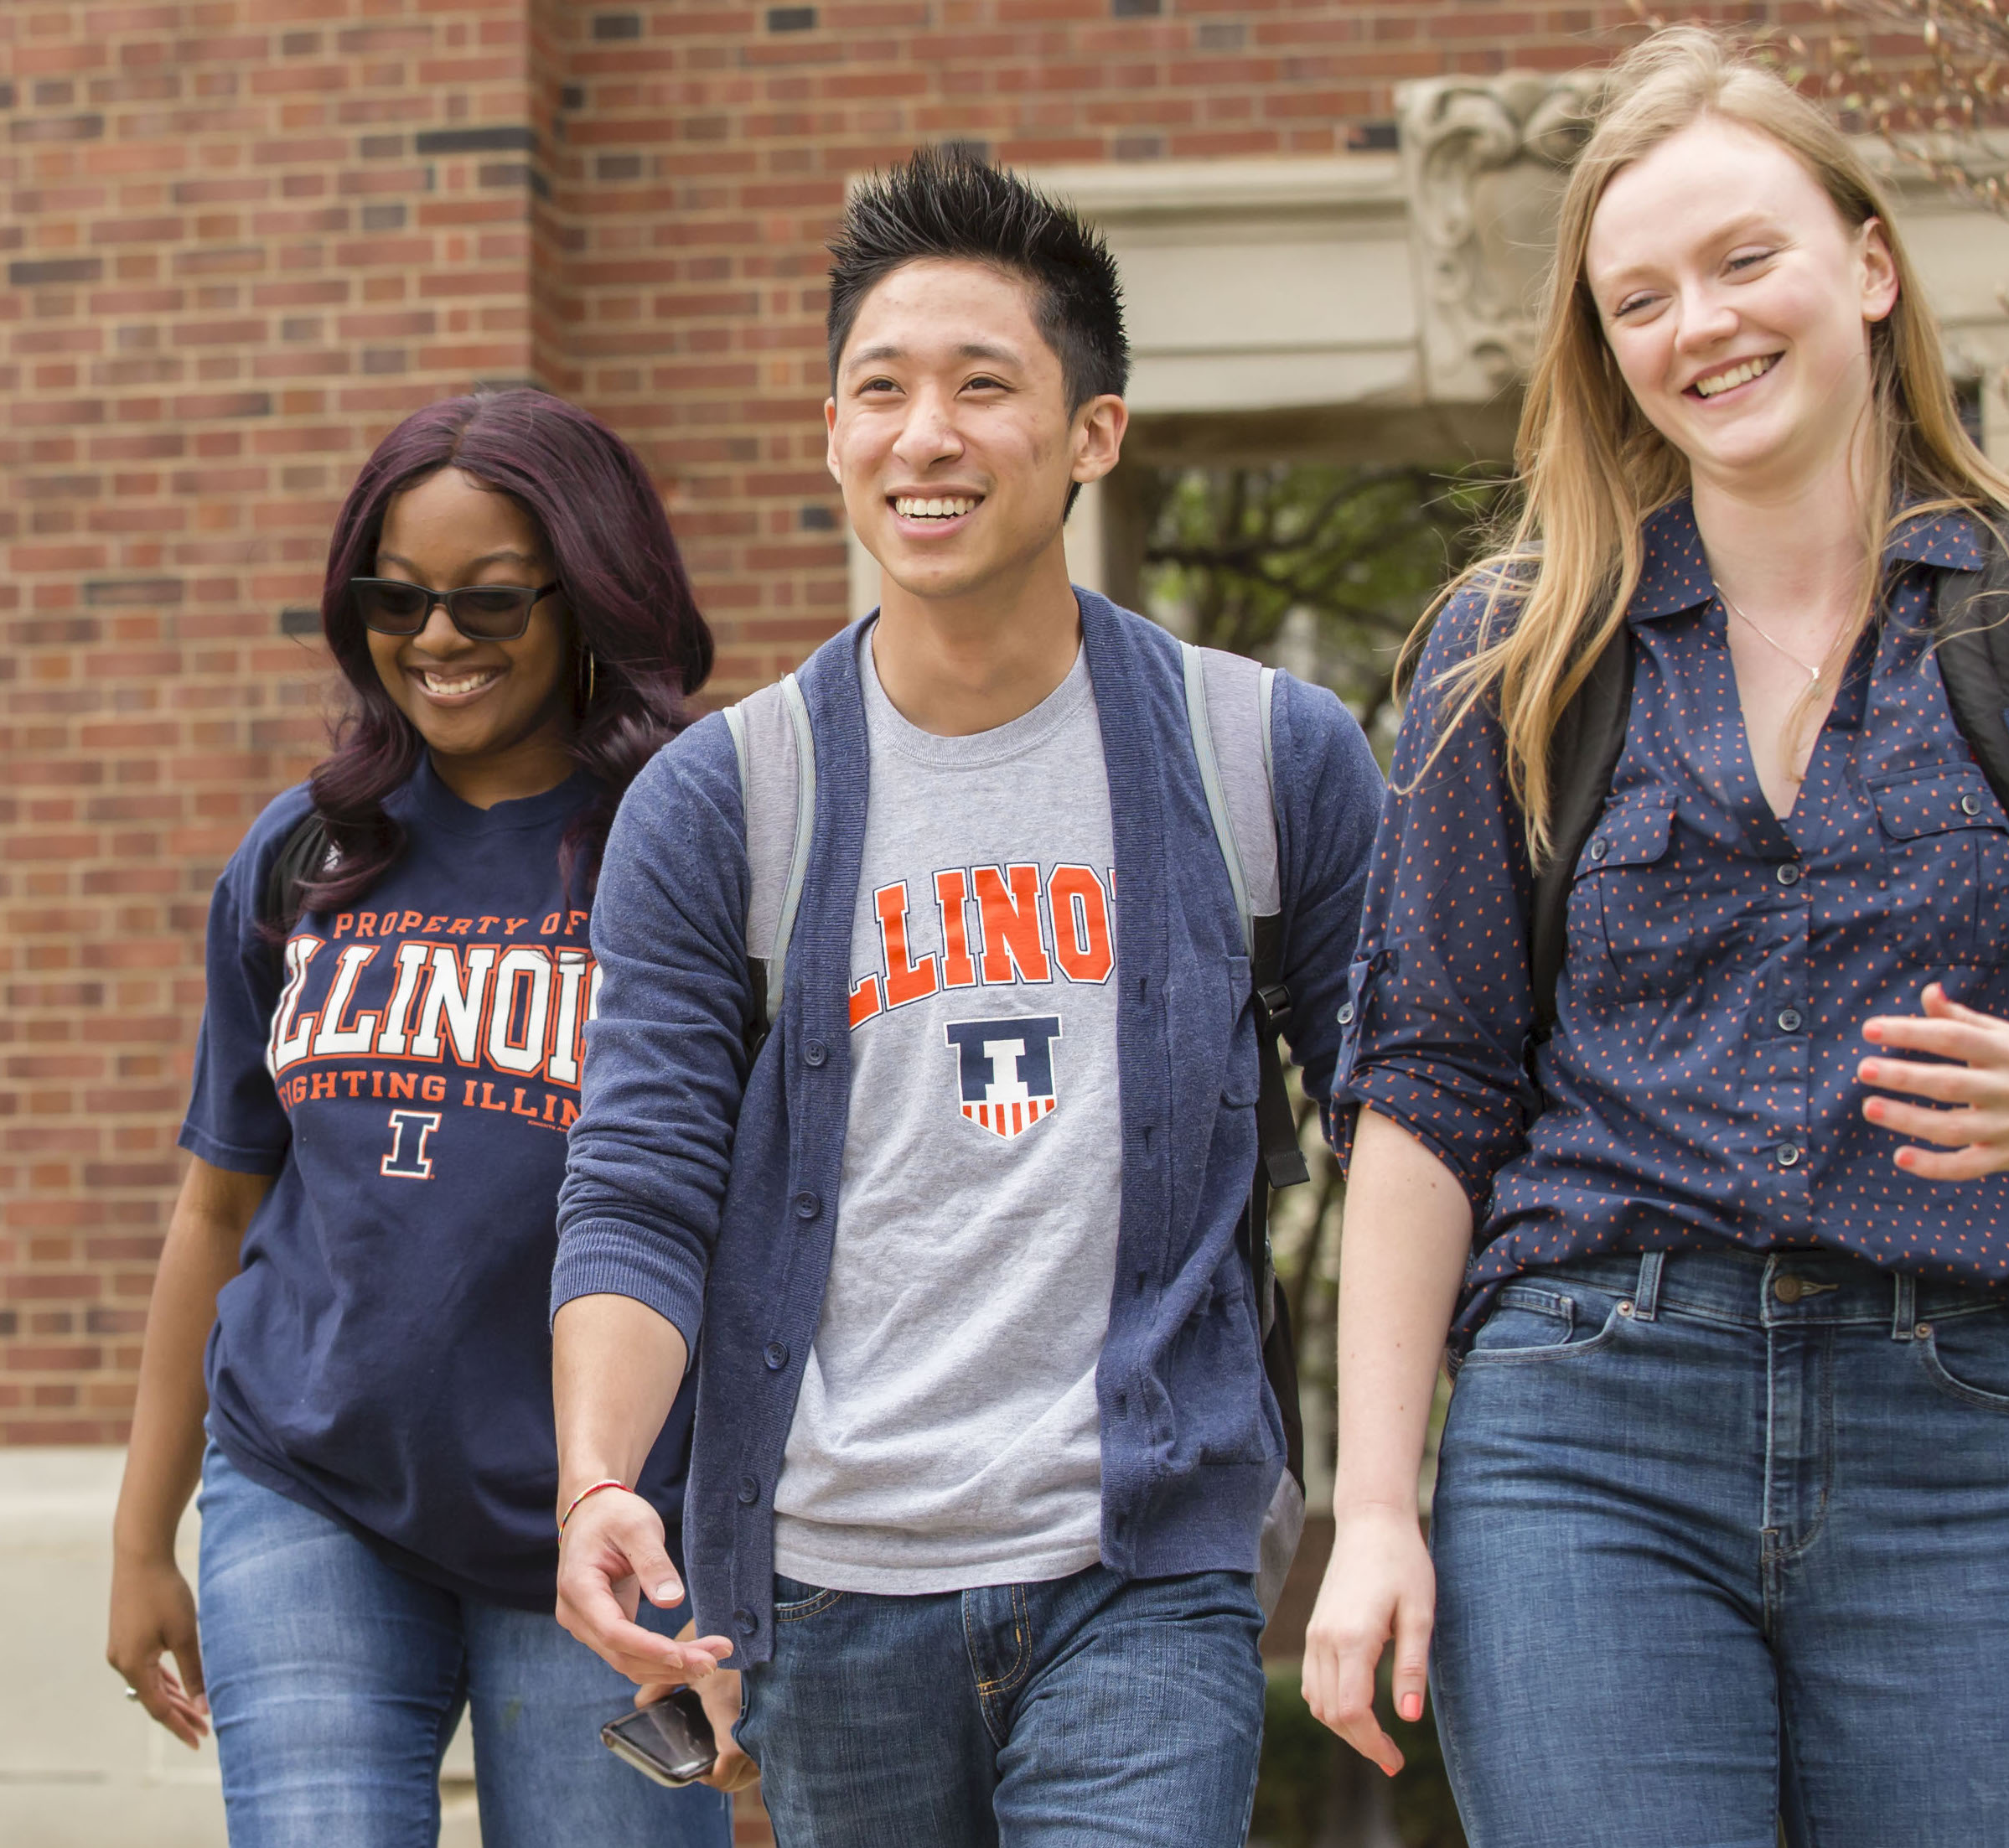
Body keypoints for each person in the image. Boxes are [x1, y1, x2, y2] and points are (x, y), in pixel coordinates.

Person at [1303, 28, 2009, 1846]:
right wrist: (1375, 1507)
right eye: (1640, 298)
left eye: (1741, 261)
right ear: (1607, 347)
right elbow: (1425, 1092)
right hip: (1587, 1434)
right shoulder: (1518, 649)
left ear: (1867, 267)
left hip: (1959, 1427)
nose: (1698, 325)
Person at [546, 147, 1382, 1846]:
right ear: (835, 432)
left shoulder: (1264, 758)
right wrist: (601, 1478)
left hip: (1140, 1564)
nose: (922, 435)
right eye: (880, 389)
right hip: (833, 1590)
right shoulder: (728, 801)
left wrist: (1395, 1494)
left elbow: (1408, 1132)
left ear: (1094, 432)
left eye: (981, 385)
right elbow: (638, 1181)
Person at [104, 388, 731, 1848]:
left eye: (489, 600)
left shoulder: (690, 847)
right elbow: (220, 1202)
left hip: (610, 1516)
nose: (436, 640)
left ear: (590, 596)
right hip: (307, 1479)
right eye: (396, 597)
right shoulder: (306, 851)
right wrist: (144, 1532)